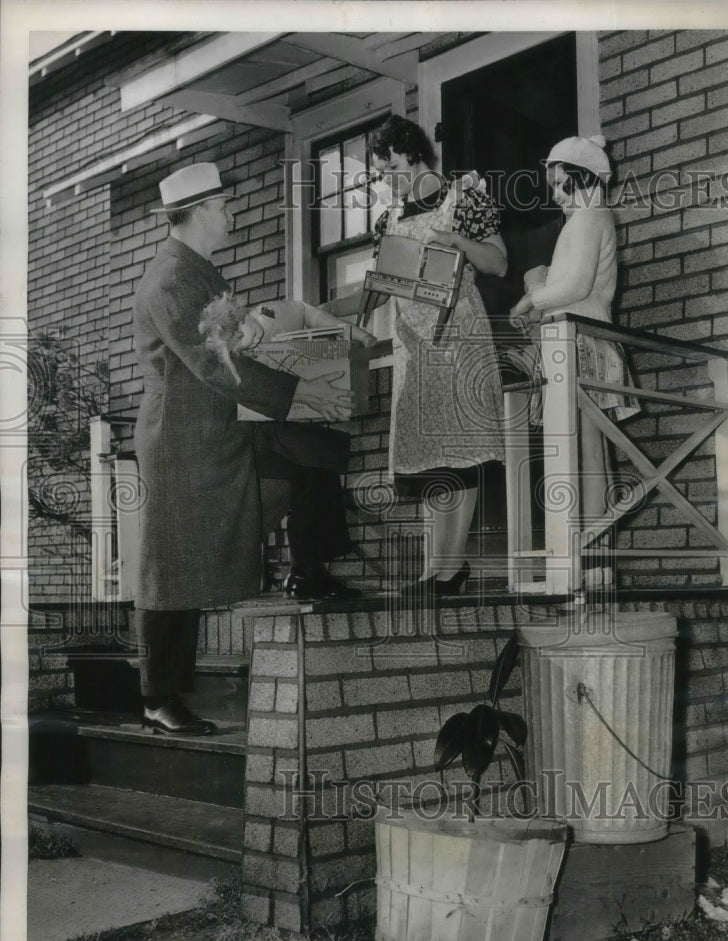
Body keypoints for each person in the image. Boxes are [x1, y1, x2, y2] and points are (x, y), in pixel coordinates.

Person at [133, 162, 362, 736]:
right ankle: (159, 699)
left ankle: (309, 570)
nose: (232, 215)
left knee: (314, 457)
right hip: (184, 441)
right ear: (201, 212)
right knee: (171, 568)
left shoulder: (198, 272)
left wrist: (267, 340)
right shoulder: (170, 278)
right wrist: (299, 390)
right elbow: (214, 363)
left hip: (224, 432)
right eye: (226, 207)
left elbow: (233, 343)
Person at [365, 115, 508, 598]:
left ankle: (453, 566)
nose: (386, 180)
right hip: (414, 340)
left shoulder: (463, 196)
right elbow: (388, 285)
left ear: (410, 153)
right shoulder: (390, 219)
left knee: (461, 445)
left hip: (459, 331)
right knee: (431, 453)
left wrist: (456, 242)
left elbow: (499, 261)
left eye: (388, 168)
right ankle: (437, 568)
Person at [508, 135, 640, 585]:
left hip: (581, 344)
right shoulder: (582, 221)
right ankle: (587, 559)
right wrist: (539, 290)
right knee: (579, 453)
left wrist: (530, 299)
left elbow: (575, 287)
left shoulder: (590, 218)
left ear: (585, 180)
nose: (556, 194)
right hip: (571, 344)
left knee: (582, 454)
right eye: (554, 186)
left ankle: (588, 561)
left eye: (564, 184)